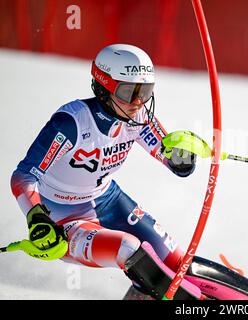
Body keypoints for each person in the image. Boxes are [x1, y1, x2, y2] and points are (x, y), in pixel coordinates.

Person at [10, 44, 203, 299]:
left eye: (145, 92)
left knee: (175, 261)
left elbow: (171, 158)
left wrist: (182, 157)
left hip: (110, 200)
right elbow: (24, 175)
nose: (138, 102)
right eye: (128, 92)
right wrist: (36, 217)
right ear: (104, 87)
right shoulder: (72, 123)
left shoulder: (140, 117)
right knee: (128, 250)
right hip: (63, 218)